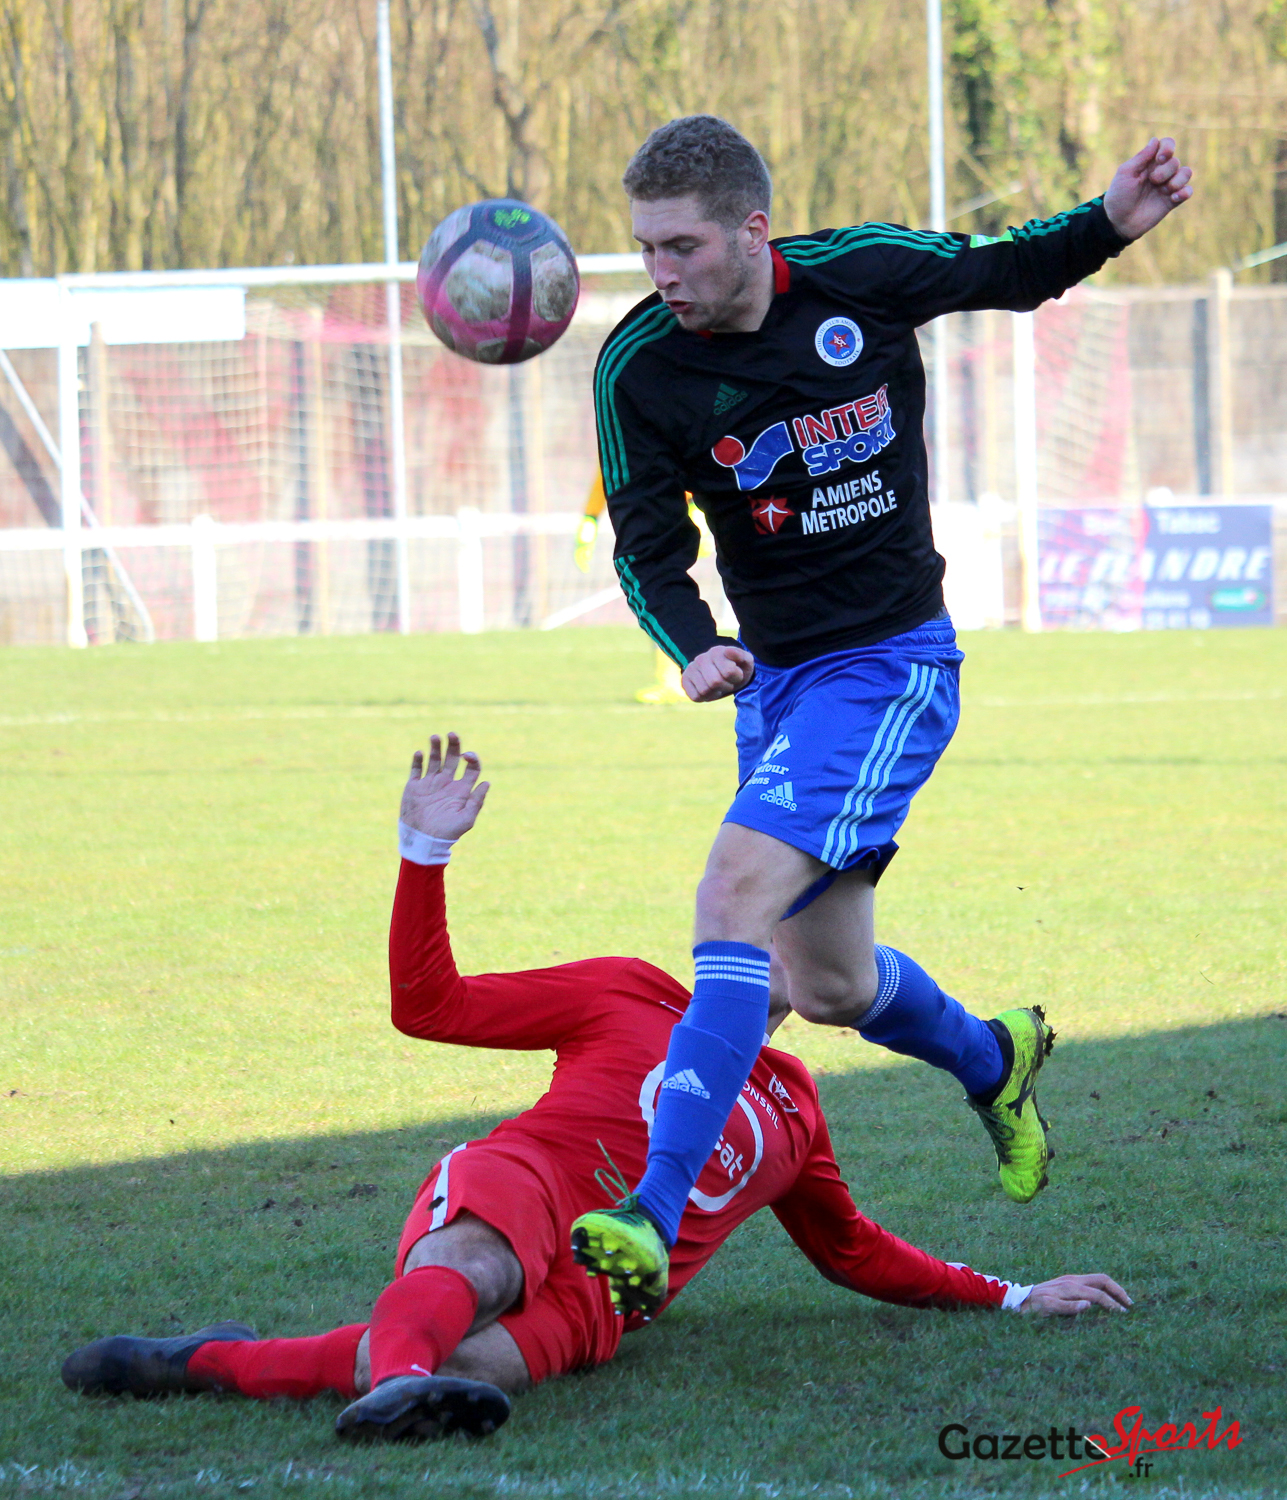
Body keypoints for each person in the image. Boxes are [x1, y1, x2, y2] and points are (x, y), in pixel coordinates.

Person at [61, 736, 1132, 1444]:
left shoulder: (795, 1107)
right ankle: (378, 1385)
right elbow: (430, 1006)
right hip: (527, 1182)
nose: (781, 937)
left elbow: (852, 1251)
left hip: (608, 1295)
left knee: (476, 1367)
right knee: (475, 1267)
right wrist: (424, 852)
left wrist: (1014, 1295)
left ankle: (202, 1363)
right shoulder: (625, 991)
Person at [572, 116, 1193, 1313]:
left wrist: (1112, 222)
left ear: (752, 230)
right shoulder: (638, 367)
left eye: (682, 247)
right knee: (829, 986)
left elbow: (1005, 269)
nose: (661, 273)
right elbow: (646, 545)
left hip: (890, 664)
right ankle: (993, 1058)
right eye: (645, 248)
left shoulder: (859, 272)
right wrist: (693, 647)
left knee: (731, 901)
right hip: (776, 688)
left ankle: (650, 1211)